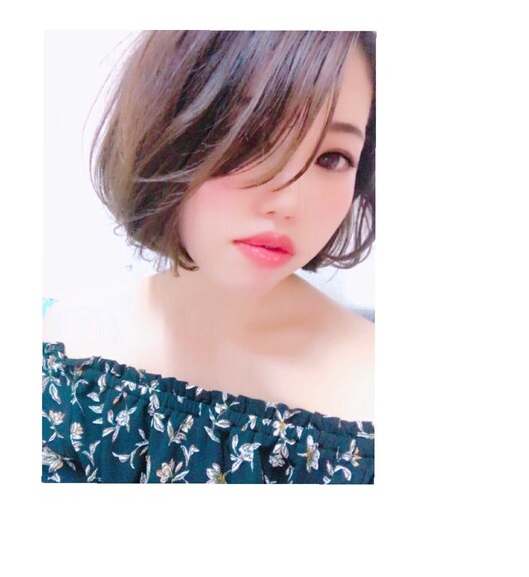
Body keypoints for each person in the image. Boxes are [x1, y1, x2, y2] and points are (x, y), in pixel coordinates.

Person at [42, 31, 376, 484]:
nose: (289, 202)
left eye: (332, 158)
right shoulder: (62, 348)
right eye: (251, 137)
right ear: (167, 127)